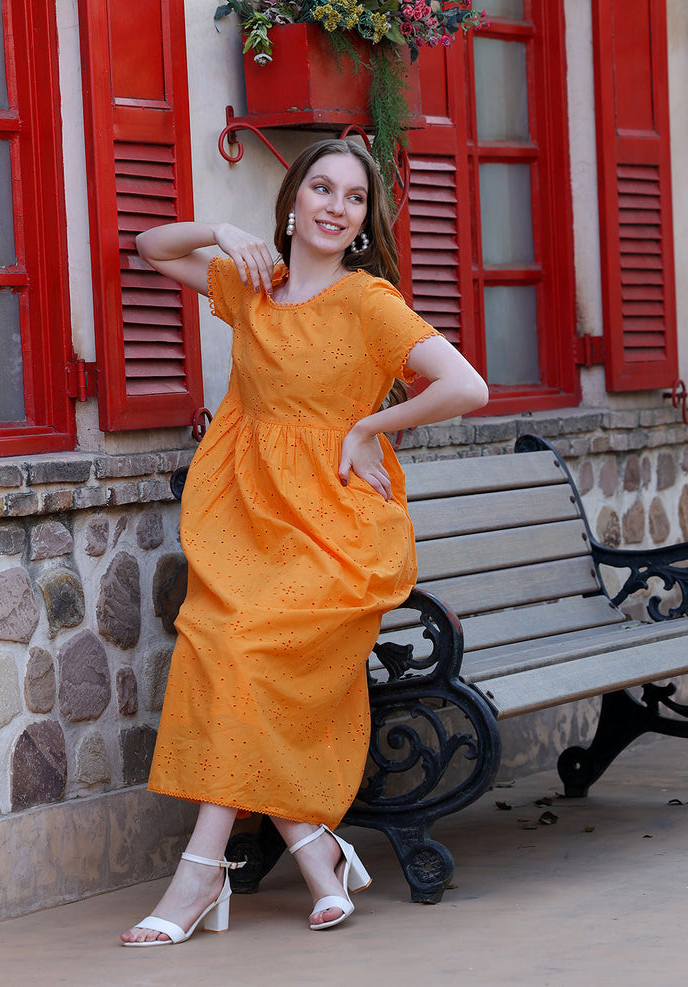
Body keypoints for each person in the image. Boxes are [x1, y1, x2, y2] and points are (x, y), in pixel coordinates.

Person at [121, 138, 488, 946]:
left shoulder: (368, 302)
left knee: (239, 651)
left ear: (363, 221)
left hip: (339, 530)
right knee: (224, 647)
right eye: (322, 188)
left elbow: (466, 384)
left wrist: (368, 427)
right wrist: (221, 229)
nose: (336, 207)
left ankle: (201, 870)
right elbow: (151, 247)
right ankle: (316, 850)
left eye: (354, 198)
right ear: (292, 202)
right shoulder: (253, 284)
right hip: (250, 524)